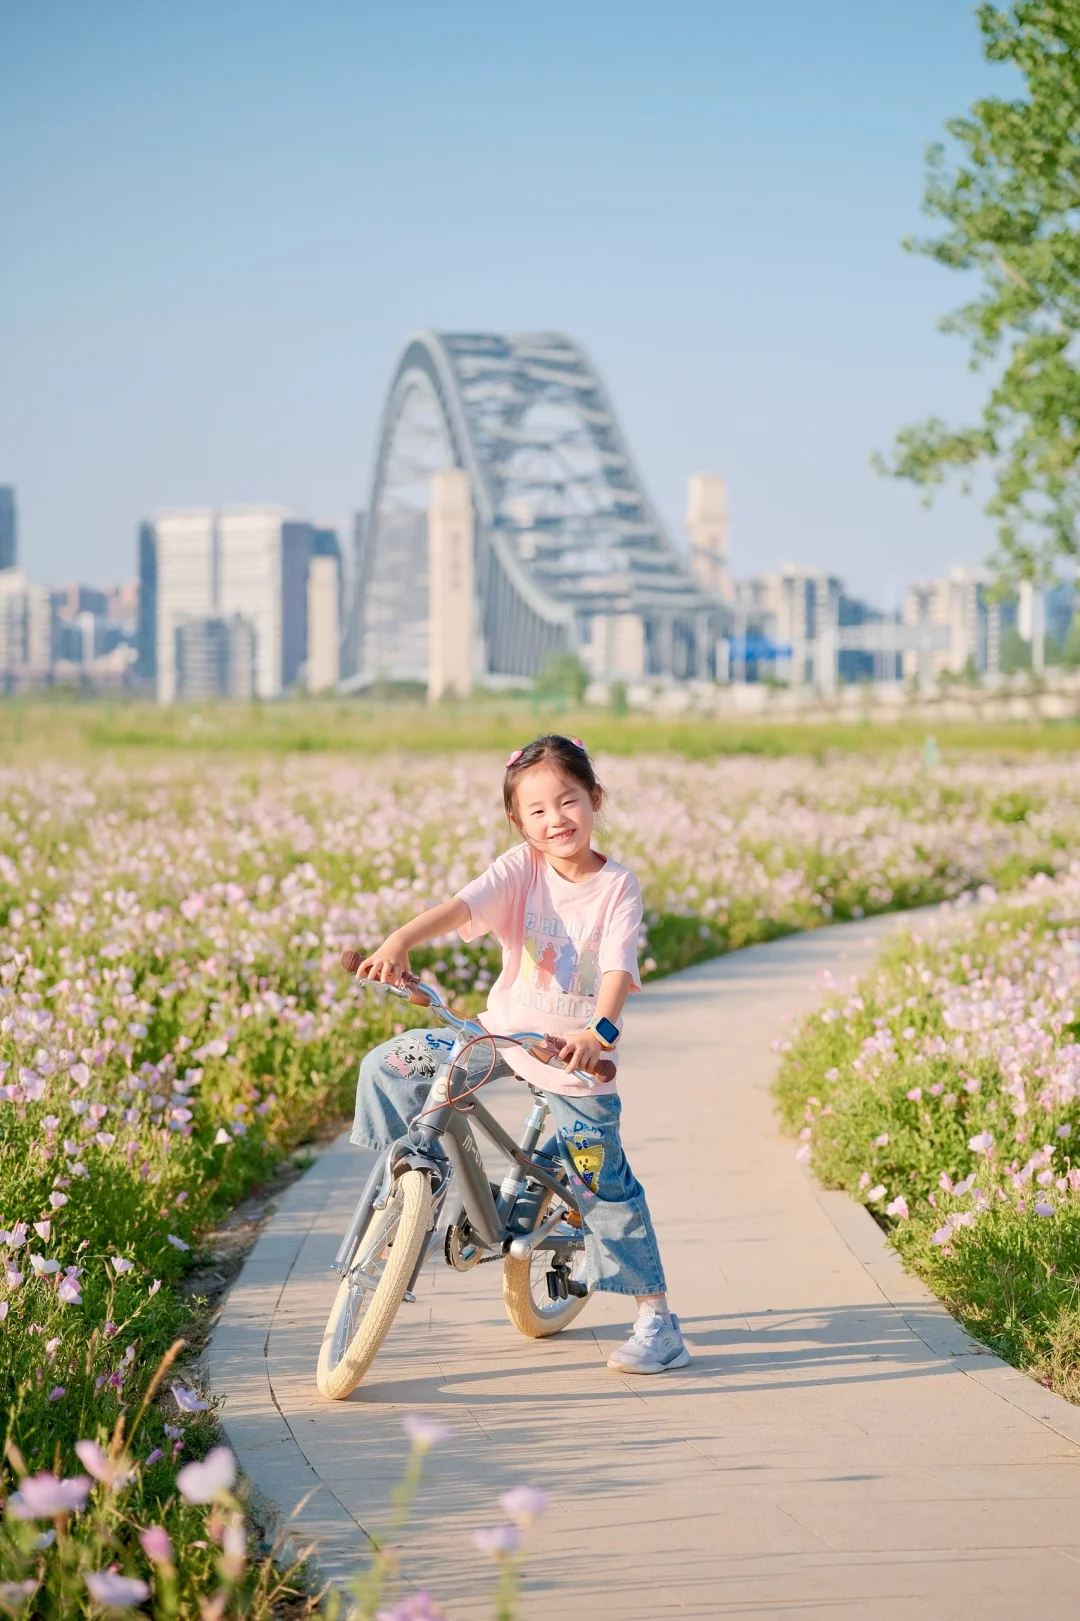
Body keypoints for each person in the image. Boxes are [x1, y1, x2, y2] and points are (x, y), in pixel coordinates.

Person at [350, 733, 689, 1375]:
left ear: (594, 798)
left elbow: (616, 970)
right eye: (537, 810)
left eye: (568, 801)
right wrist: (399, 940)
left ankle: (657, 1320)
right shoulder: (521, 866)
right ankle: (406, 1197)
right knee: (390, 1066)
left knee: (604, 1184)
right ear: (518, 820)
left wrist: (599, 1034)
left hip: (572, 1059)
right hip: (498, 1033)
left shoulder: (617, 887)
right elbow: (460, 907)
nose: (555, 819)